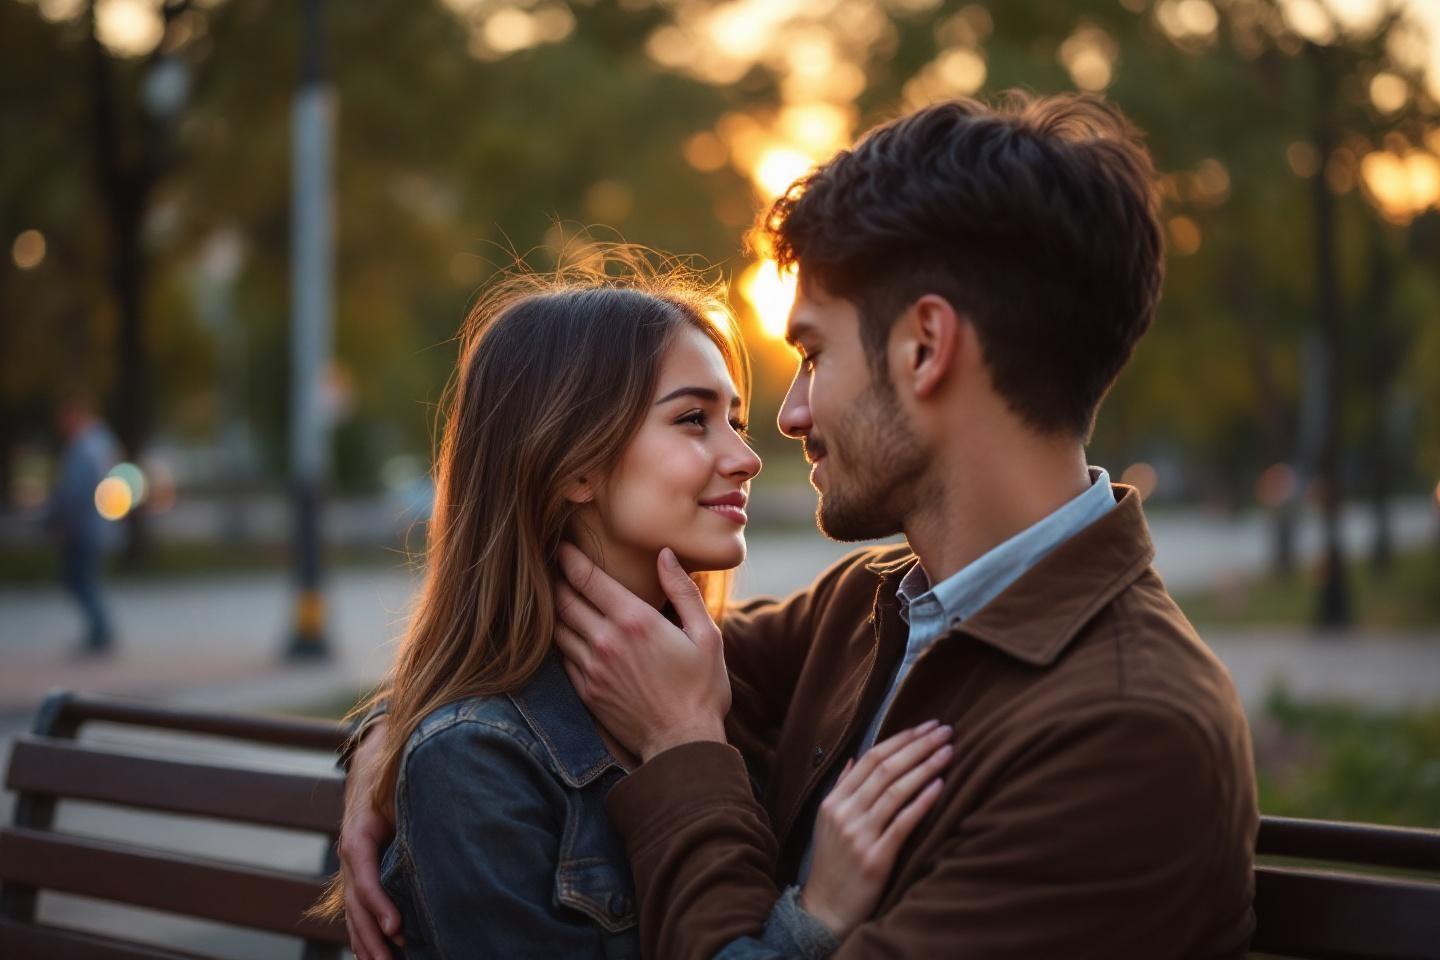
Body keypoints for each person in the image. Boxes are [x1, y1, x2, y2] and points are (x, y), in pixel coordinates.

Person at [345, 92, 1259, 958]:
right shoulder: (871, 610)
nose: (786, 420)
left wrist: (688, 756)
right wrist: (407, 737)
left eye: (814, 353)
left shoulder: (1126, 736)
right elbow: (561, 670)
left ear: (926, 348)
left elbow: (657, 706)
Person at [314, 259, 954, 960]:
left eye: (734, 421)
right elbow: (462, 713)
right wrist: (816, 915)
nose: (746, 457)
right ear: (575, 465)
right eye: (693, 420)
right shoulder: (476, 759)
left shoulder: (698, 670)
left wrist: (394, 728)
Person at [44, 392, 120, 655]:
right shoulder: (101, 442)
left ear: (75, 415)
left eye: (65, 417)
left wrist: (53, 518)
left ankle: (101, 632)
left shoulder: (84, 447)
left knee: (79, 581)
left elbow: (74, 491)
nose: (61, 424)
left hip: (85, 526)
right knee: (84, 580)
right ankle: (100, 632)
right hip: (96, 525)